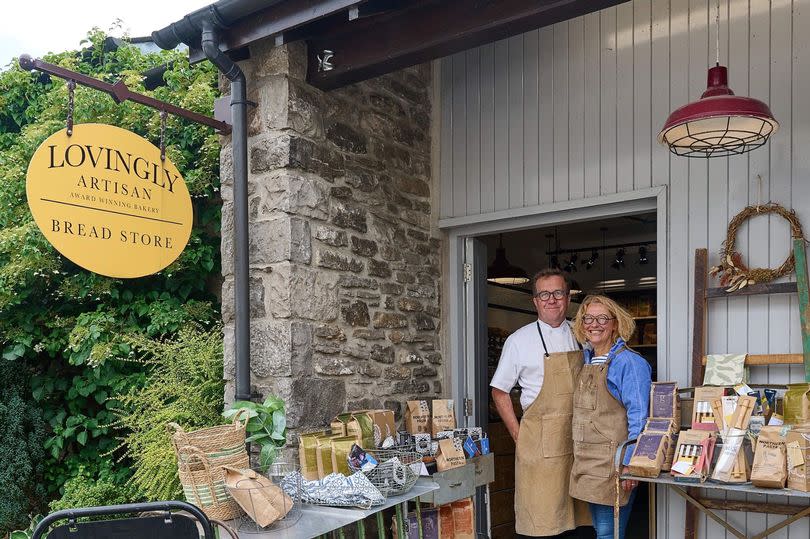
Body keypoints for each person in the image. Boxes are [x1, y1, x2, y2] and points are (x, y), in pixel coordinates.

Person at [490, 268, 590, 538]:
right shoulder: (518, 341)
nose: (552, 300)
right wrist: (517, 435)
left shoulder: (582, 335)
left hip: (579, 443)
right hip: (539, 448)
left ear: (568, 298)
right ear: (535, 301)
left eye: (558, 293)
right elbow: (499, 391)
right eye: (544, 294)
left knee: (580, 525)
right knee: (542, 524)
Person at [569, 295, 652, 539]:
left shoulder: (629, 362)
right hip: (587, 459)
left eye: (602, 318)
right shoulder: (586, 360)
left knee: (608, 533)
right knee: (600, 530)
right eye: (589, 318)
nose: (595, 324)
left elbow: (640, 415)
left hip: (613, 462)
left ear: (615, 324)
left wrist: (630, 463)